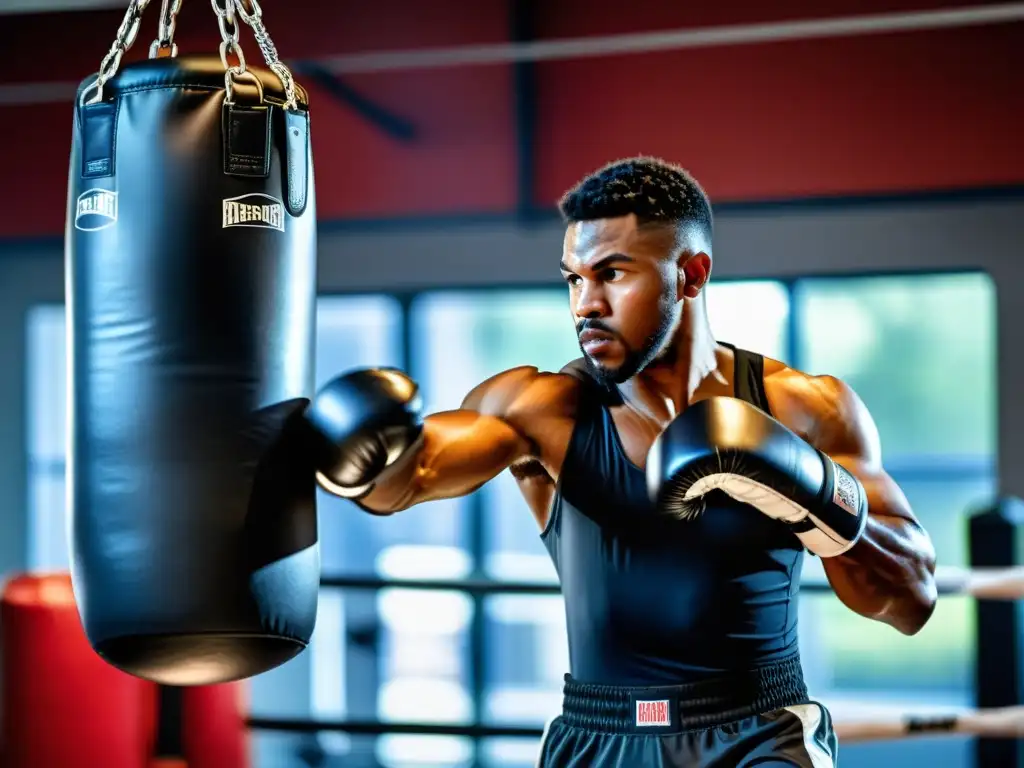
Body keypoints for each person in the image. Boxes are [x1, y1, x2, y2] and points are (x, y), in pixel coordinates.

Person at [304, 157, 939, 767]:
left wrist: (809, 487)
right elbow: (410, 477)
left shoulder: (804, 408)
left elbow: (909, 601)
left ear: (690, 274)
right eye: (573, 278)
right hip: (598, 742)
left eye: (612, 273)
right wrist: (354, 459)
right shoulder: (542, 409)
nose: (585, 304)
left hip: (759, 736)